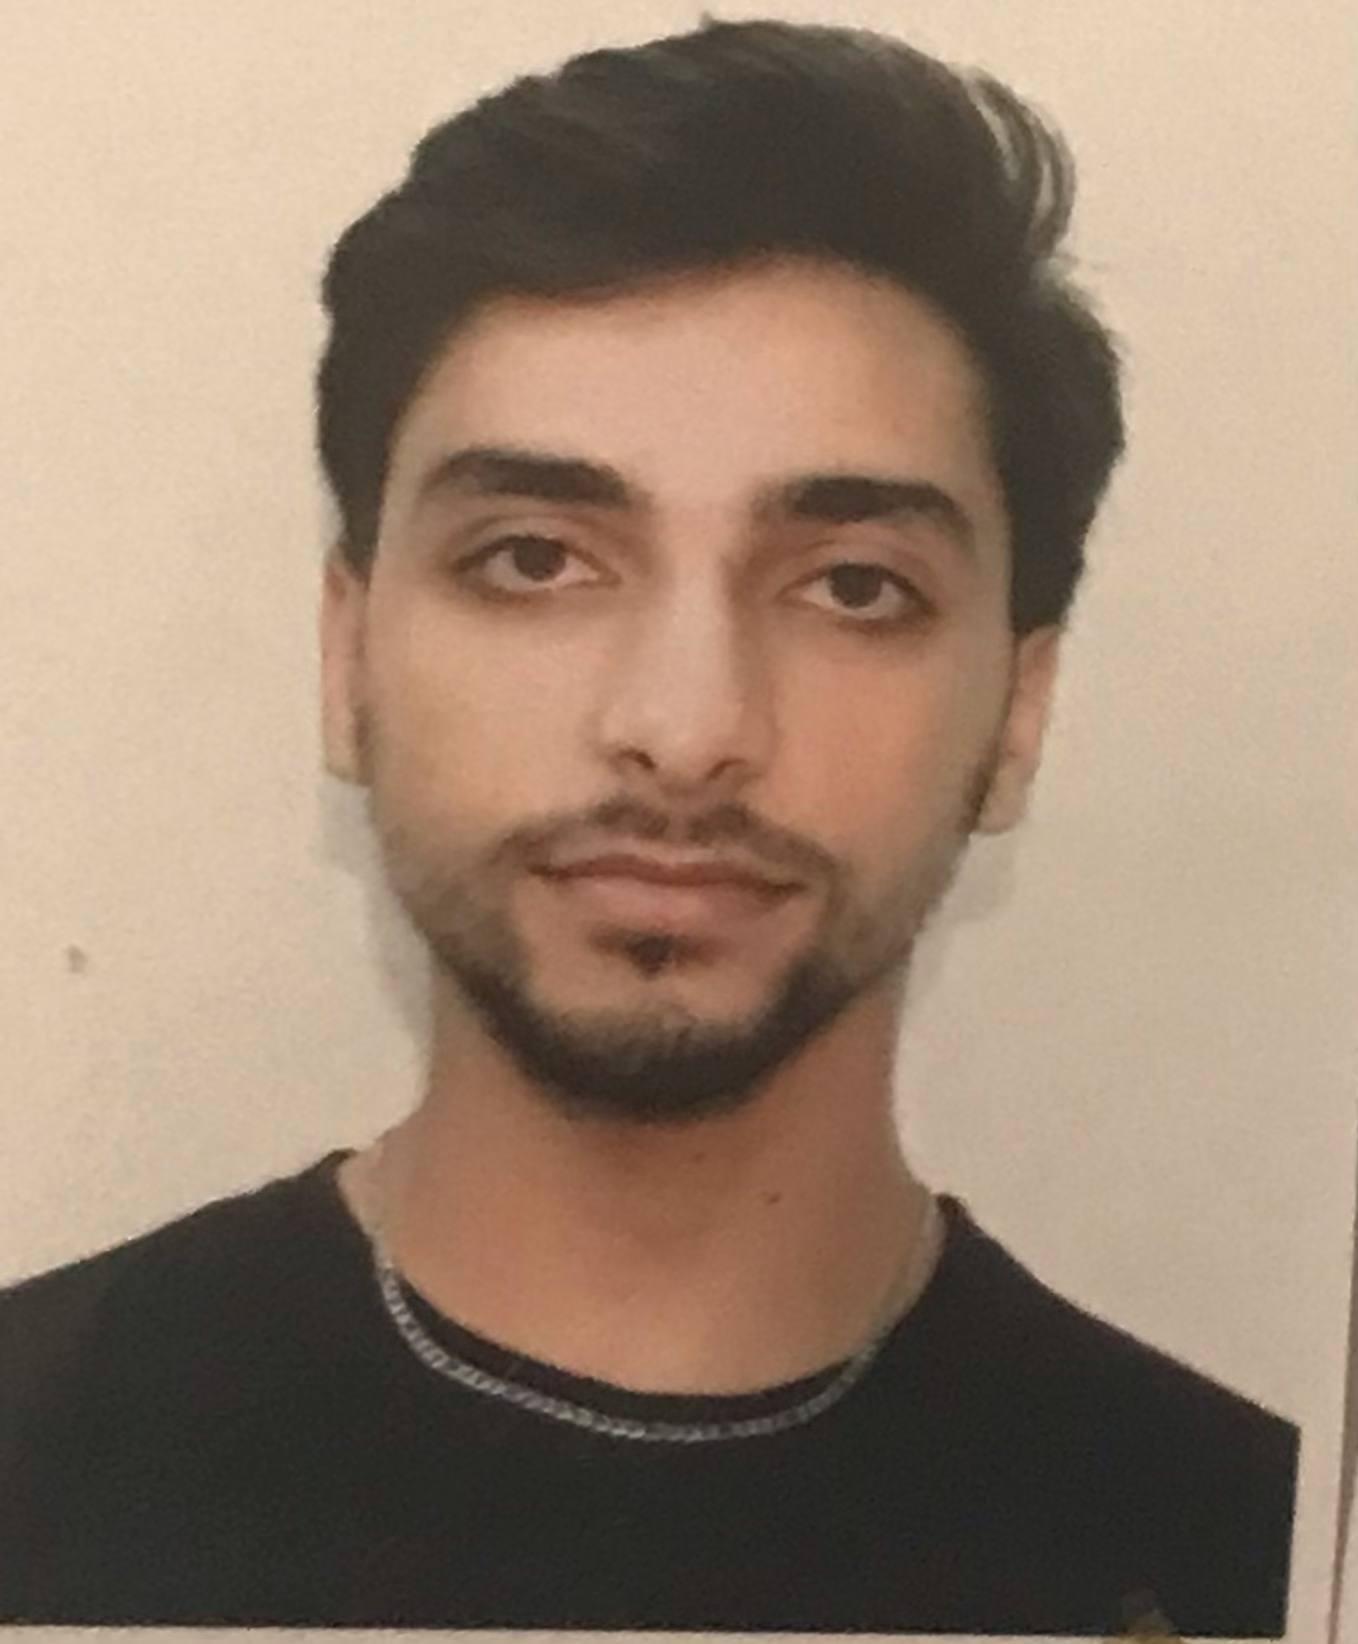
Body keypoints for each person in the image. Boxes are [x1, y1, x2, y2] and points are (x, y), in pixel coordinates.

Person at [0, 16, 1298, 1635]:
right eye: (535, 560)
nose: (685, 730)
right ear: (347, 660)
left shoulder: (1257, 1563)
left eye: (851, 587)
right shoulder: (34, 1463)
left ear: (1016, 713)